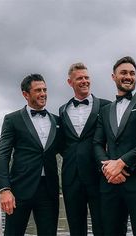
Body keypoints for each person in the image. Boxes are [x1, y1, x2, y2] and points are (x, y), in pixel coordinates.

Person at [93, 56, 136, 236]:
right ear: (113, 76)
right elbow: (97, 143)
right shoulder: (105, 110)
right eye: (123, 73)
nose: (128, 76)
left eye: (132, 73)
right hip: (110, 184)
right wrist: (108, 168)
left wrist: (122, 163)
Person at [0, 74, 60, 236]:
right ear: (25, 94)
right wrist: (4, 189)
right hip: (19, 190)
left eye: (45, 89)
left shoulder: (57, 121)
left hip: (49, 190)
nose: (43, 93)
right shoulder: (12, 119)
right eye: (38, 90)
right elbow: (3, 154)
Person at [59, 62, 110, 236]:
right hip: (71, 178)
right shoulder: (62, 110)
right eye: (79, 78)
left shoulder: (106, 106)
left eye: (87, 77)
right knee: (75, 228)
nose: (84, 81)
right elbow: (62, 143)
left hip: (99, 176)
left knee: (102, 227)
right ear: (70, 82)